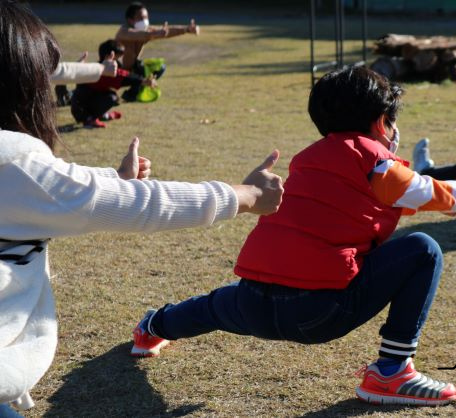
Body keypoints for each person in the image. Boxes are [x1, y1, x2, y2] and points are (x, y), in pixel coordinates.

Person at [130, 67, 456, 407]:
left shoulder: (311, 159)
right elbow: (442, 195)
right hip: (316, 313)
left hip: (252, 300)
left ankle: (152, 327)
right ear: (382, 122)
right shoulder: (376, 164)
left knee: (212, 308)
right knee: (423, 249)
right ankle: (391, 372)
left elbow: (376, 201)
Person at [0, 1, 283, 415]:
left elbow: (50, 188)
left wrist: (114, 179)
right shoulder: (12, 163)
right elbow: (143, 205)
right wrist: (245, 196)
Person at [115, 2, 200, 102]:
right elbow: (141, 35)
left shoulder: (146, 31)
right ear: (130, 20)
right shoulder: (123, 32)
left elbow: (167, 31)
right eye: (141, 18)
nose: (145, 21)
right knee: (139, 68)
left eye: (146, 17)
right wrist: (156, 33)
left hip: (133, 71)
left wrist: (187, 29)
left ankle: (132, 94)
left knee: (159, 67)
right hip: (116, 73)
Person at [71, 40, 157, 128]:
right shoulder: (108, 74)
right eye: (118, 58)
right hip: (81, 110)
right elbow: (125, 77)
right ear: (108, 57)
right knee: (112, 97)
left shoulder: (94, 67)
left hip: (78, 106)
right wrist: (143, 81)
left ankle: (100, 115)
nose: (119, 61)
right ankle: (89, 119)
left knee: (109, 94)